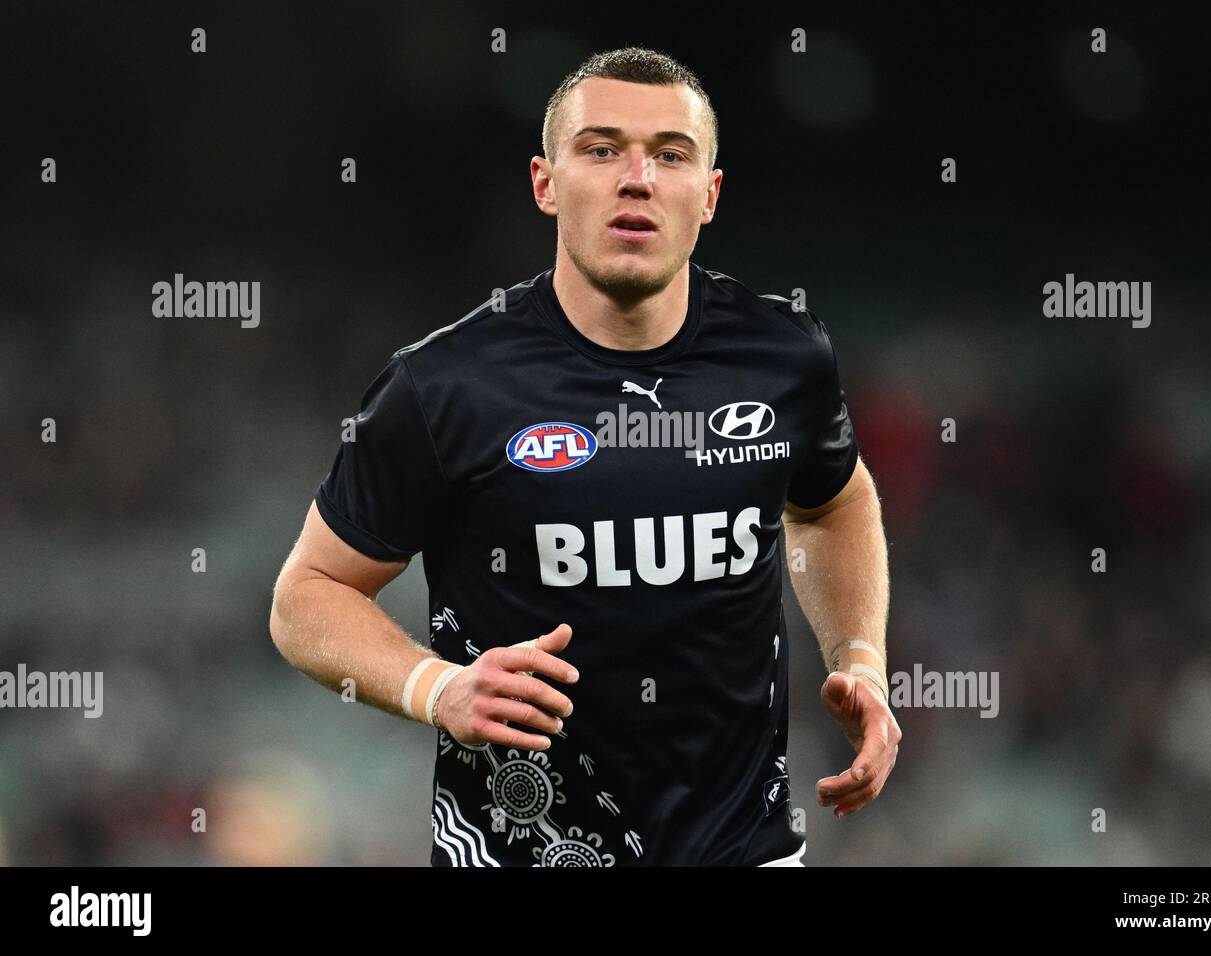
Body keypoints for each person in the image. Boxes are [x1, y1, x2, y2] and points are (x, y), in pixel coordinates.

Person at [269, 46, 898, 867]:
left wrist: (862, 661)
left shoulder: (785, 358)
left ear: (707, 196)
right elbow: (306, 596)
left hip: (747, 852)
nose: (635, 178)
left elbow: (830, 504)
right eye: (600, 150)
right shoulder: (444, 386)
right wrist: (438, 687)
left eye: (670, 155)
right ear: (545, 182)